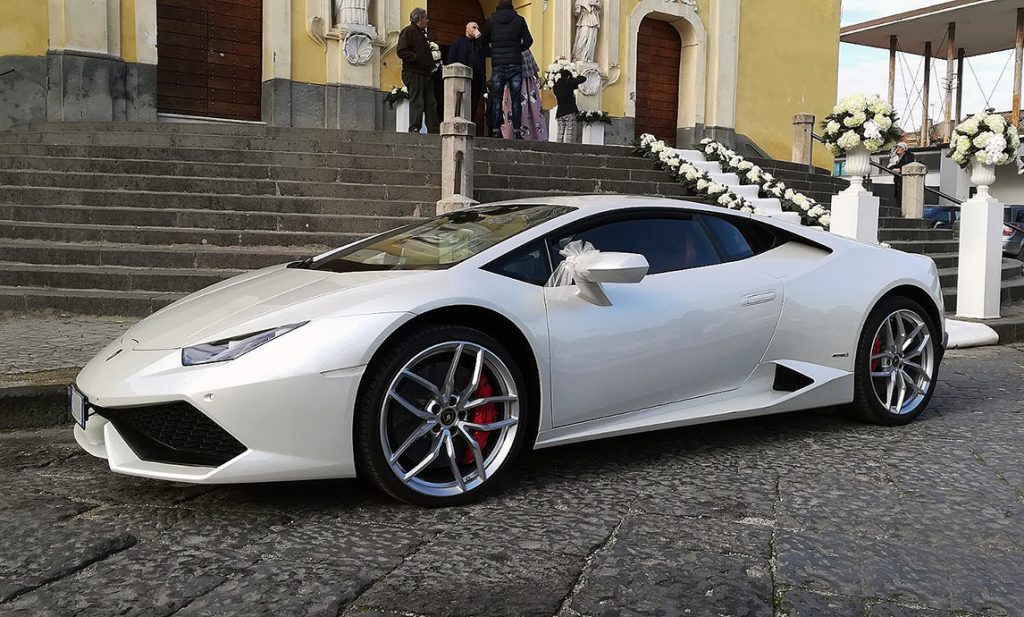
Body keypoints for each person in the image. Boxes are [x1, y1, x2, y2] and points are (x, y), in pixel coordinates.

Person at [481, 0, 533, 139]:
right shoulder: (519, 20)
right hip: (515, 64)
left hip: (498, 65)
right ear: (511, 5)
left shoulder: (491, 20)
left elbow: (483, 42)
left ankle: (496, 131)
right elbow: (529, 41)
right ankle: (516, 131)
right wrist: (517, 50)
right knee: (516, 99)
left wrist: (493, 53)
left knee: (496, 99)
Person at [397, 7, 439, 134]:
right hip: (413, 73)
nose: (428, 21)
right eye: (426, 18)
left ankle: (434, 129)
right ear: (420, 19)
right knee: (418, 102)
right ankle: (415, 128)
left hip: (425, 74)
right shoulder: (408, 31)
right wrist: (416, 58)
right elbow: (401, 51)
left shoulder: (422, 34)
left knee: (431, 103)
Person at [447, 21, 488, 132]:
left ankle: (471, 127)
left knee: (473, 105)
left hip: (476, 80)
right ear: (467, 29)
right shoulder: (458, 43)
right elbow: (451, 60)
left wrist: (479, 38)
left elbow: (487, 52)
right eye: (474, 27)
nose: (476, 30)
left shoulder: (479, 44)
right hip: (461, 79)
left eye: (478, 28)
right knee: (460, 103)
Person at [501, 49, 547, 140]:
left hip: (521, 84)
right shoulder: (524, 49)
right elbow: (534, 69)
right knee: (526, 110)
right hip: (522, 84)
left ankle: (520, 134)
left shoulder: (516, 49)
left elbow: (533, 68)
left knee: (525, 110)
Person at [553, 69, 587, 143]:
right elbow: (583, 79)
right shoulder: (569, 83)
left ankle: (557, 147)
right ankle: (568, 148)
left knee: (560, 133)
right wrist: (575, 77)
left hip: (560, 112)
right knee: (569, 133)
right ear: (568, 76)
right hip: (569, 111)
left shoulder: (555, 86)